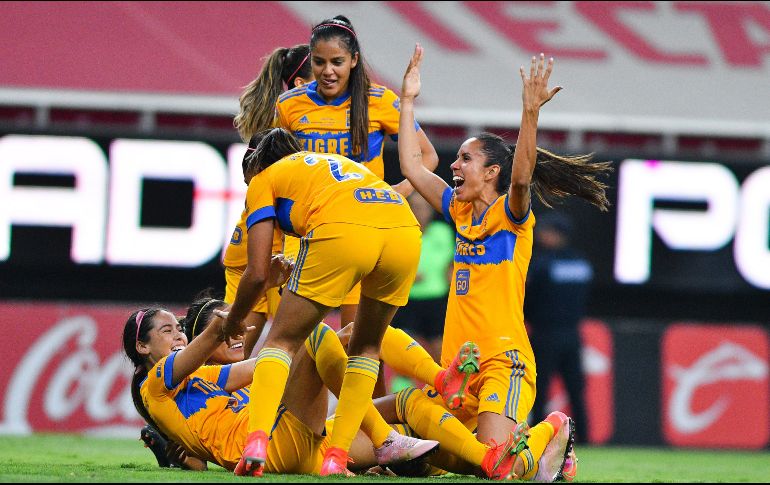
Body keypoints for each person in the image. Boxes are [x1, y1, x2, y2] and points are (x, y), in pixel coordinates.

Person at [397, 44, 613, 481]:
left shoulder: (511, 218)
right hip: (458, 370)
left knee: (499, 465)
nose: (454, 165)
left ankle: (554, 427)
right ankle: (537, 448)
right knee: (428, 460)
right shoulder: (458, 212)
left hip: (503, 362)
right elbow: (411, 166)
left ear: (491, 172)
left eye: (465, 159)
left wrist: (529, 113)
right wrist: (407, 101)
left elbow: (521, 176)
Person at [219, 128, 440, 476]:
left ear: (255, 164)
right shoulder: (330, 165)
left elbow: (258, 273)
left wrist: (234, 320)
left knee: (282, 341)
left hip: (344, 227)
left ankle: (256, 442)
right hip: (405, 230)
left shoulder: (264, 177)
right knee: (367, 346)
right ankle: (337, 457)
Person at [272, 15, 440, 326]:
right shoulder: (289, 105)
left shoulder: (379, 101)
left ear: (354, 60)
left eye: (337, 61)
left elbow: (427, 157)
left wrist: (394, 194)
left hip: (362, 235)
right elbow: (271, 171)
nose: (328, 71)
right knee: (300, 342)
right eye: (319, 62)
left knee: (359, 342)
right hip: (305, 235)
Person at [525, 212, 592, 444]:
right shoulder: (582, 264)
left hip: (545, 333)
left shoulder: (542, 264)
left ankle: (535, 437)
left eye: (546, 231)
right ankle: (585, 438)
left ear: (557, 235)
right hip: (573, 334)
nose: (541, 235)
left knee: (539, 389)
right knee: (576, 389)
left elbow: (529, 297)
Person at [396, 192, 455, 364]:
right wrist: (406, 275)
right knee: (404, 353)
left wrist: (452, 272)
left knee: (441, 351)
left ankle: (442, 387)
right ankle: (402, 389)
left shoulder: (442, 232)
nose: (421, 212)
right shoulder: (401, 232)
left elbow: (454, 262)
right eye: (416, 207)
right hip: (407, 301)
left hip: (437, 301)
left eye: (425, 208)